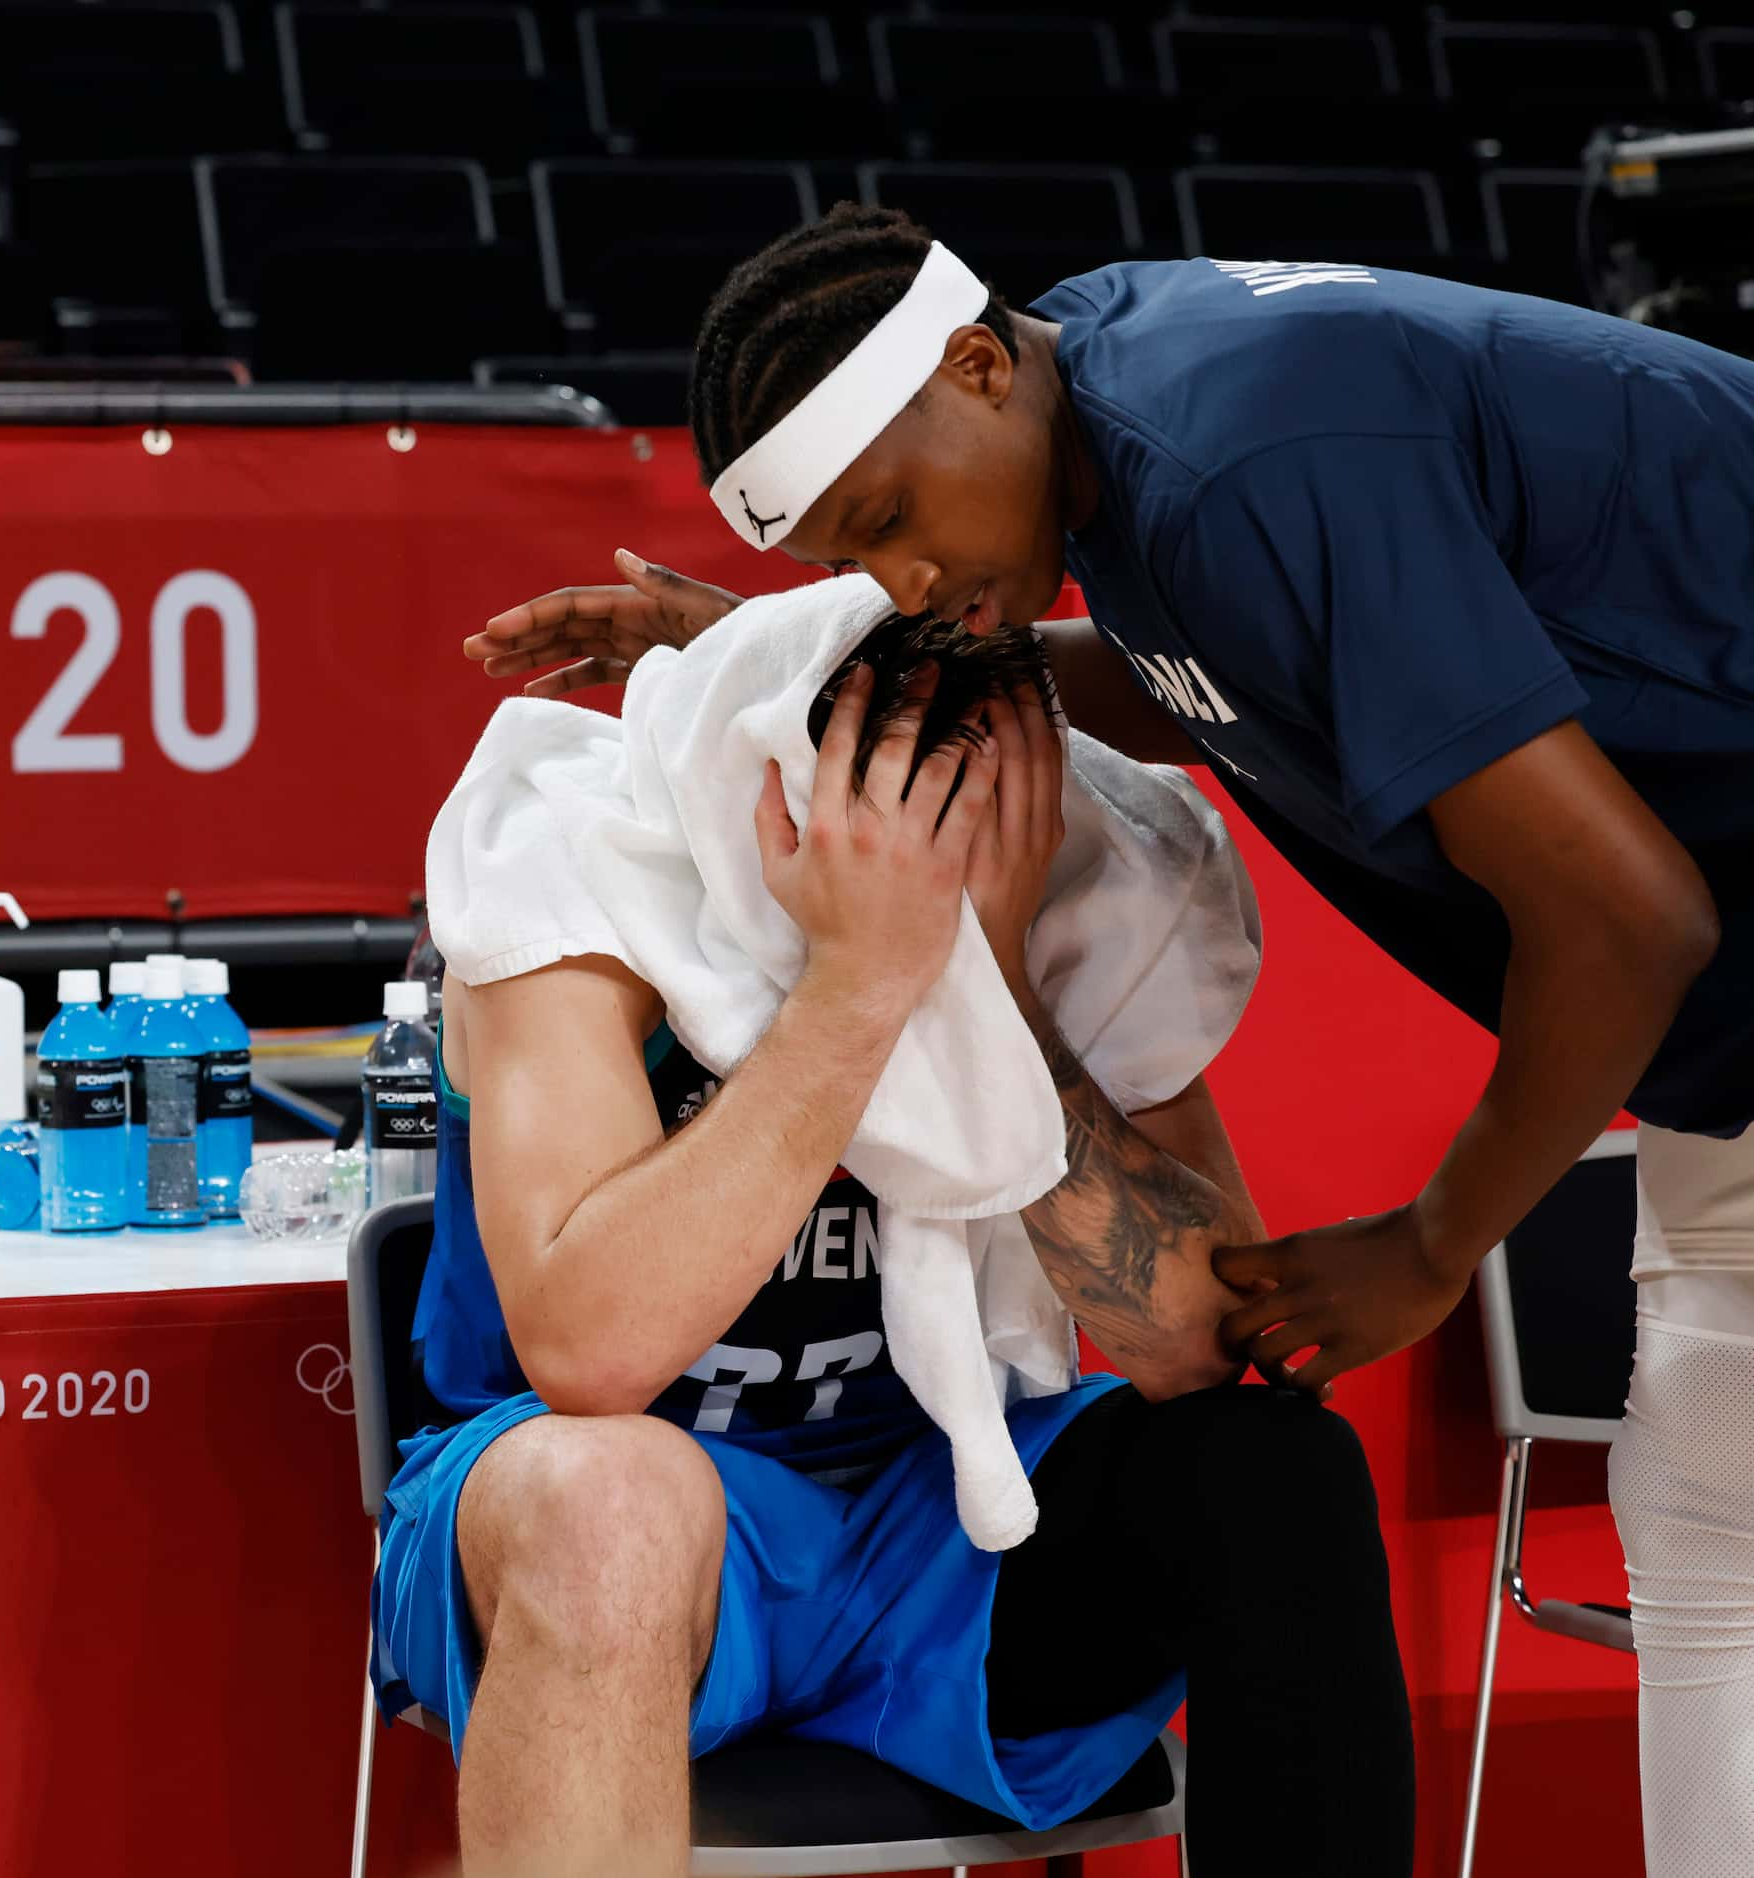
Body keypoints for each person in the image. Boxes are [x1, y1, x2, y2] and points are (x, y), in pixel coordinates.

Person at [469, 202, 1754, 1874]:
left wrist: (1432, 1242)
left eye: (888, 525)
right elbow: (1221, 663)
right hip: (1721, 1041)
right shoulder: (1129, 403)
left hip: (1695, 952)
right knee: (1707, 1519)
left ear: (976, 364)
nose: (901, 592)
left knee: (1694, 1520)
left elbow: (1629, 913)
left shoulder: (1234, 453)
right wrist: (759, 663)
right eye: (843, 578)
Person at [383, 625, 1413, 1877]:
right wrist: (861, 984)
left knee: (1273, 1470)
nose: (931, 841)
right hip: (605, 1511)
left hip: (933, 1523)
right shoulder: (582, 865)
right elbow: (589, 1358)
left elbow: (1199, 1344)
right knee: (615, 1504)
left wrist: (1003, 992)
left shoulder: (1072, 898)